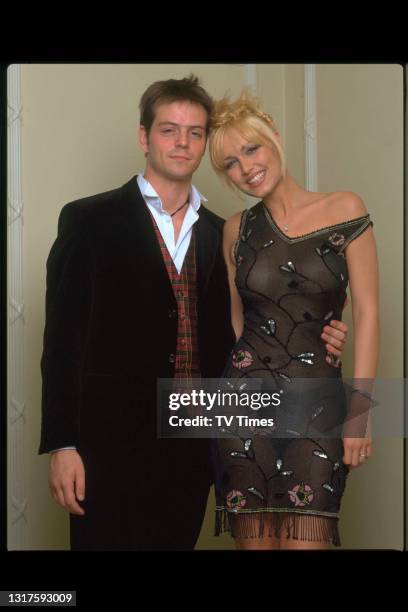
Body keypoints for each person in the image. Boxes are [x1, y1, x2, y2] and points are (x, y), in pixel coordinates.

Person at [38, 75, 348, 551]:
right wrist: (62, 445)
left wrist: (325, 332)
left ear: (204, 143)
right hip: (107, 448)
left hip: (195, 444)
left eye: (195, 132)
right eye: (168, 129)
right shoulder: (89, 220)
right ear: (144, 137)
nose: (182, 142)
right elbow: (62, 342)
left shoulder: (225, 234)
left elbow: (259, 324)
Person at [208, 90, 379, 550]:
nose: (246, 168)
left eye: (252, 149)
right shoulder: (235, 229)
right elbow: (237, 327)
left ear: (276, 139)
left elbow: (367, 312)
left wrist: (360, 413)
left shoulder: (345, 209)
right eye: (230, 163)